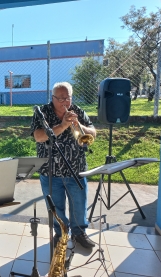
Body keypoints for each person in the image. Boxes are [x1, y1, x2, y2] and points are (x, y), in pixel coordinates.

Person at [30, 82, 97, 249]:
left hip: (76, 168)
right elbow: (38, 136)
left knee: (79, 204)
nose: (65, 102)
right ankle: (61, 234)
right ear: (52, 98)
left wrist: (79, 126)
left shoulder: (77, 111)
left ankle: (79, 233)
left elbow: (93, 132)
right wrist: (63, 126)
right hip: (50, 171)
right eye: (60, 98)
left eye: (67, 98)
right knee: (55, 206)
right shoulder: (42, 112)